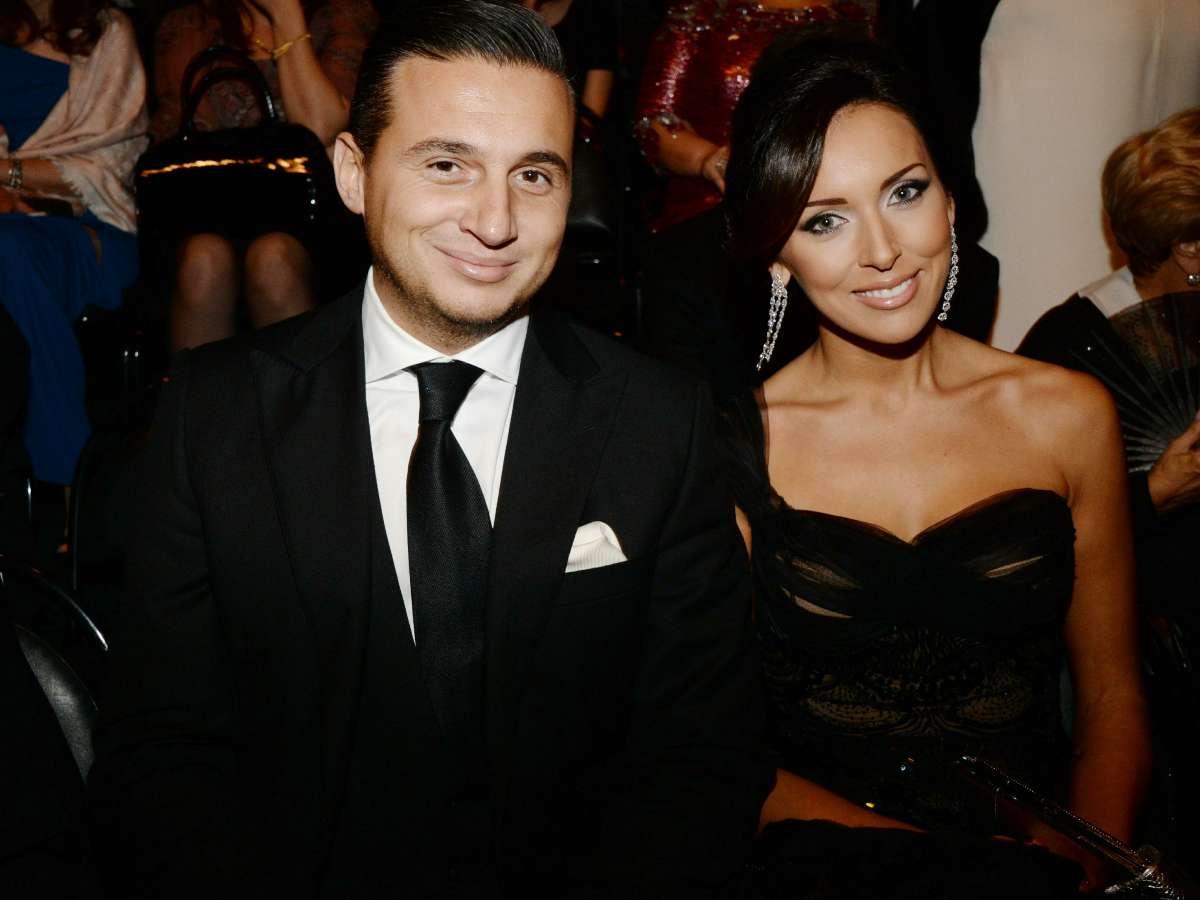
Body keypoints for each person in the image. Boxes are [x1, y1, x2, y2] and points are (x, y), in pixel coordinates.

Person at [88, 3, 771, 898]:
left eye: (535, 175)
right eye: (447, 165)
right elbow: (162, 754)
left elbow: (703, 757)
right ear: (354, 173)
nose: (496, 221)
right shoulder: (212, 419)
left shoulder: (659, 422)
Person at [721, 35, 1150, 892]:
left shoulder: (1067, 414)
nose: (882, 250)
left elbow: (1110, 692)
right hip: (828, 870)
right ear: (776, 253)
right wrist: (959, 876)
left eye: (905, 192)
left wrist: (1084, 860)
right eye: (824, 220)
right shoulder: (729, 446)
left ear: (951, 202)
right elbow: (718, 749)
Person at [151, 0, 377, 350]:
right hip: (210, 212)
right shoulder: (191, 25)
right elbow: (179, 140)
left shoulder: (341, 17)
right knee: (203, 260)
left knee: (272, 258)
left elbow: (322, 127)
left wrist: (287, 16)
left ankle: (302, 386)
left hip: (318, 224)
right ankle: (200, 387)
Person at [0, 0, 146, 489]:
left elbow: (111, 165)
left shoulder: (106, 29)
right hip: (10, 223)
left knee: (11, 253)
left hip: (92, 224)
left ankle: (70, 479)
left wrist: (8, 175)